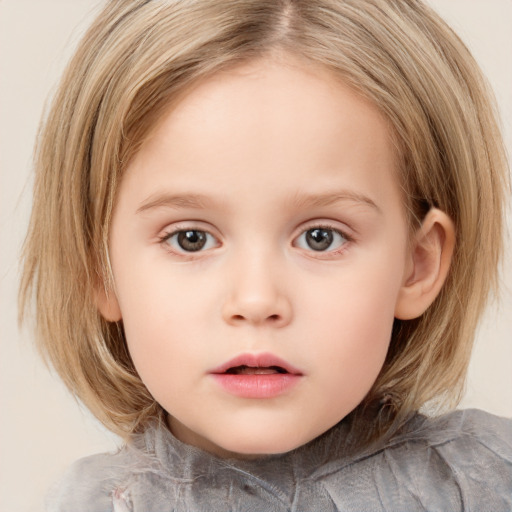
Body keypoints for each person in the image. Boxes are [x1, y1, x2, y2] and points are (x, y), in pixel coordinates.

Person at [19, 0, 511, 510]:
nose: (256, 300)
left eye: (321, 237)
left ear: (418, 264)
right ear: (100, 267)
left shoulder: (483, 487)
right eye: (191, 238)